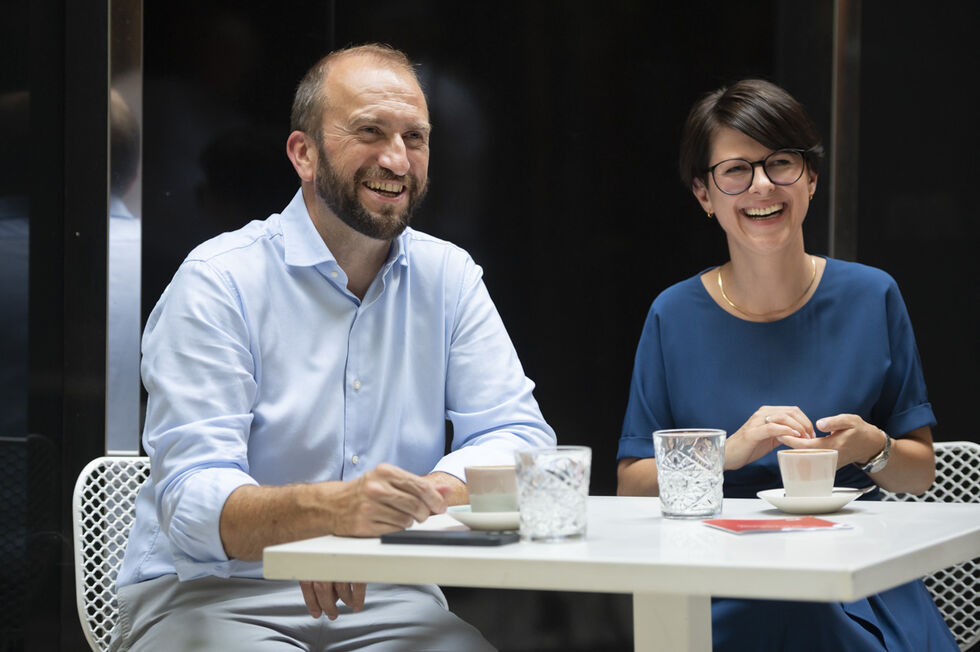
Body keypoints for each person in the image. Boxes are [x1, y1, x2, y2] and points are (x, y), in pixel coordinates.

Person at [111, 44, 555, 651]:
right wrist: (326, 515)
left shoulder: (449, 278)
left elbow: (523, 441)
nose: (397, 158)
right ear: (304, 154)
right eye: (370, 131)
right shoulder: (218, 280)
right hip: (214, 596)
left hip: (388, 590)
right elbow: (190, 501)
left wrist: (389, 516)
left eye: (415, 138)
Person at [617, 79, 957, 651]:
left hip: (859, 576)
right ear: (704, 194)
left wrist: (869, 448)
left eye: (781, 163)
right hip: (723, 579)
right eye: (735, 171)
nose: (762, 186)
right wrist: (730, 452)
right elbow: (631, 485)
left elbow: (919, 472)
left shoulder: (873, 296)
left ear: (811, 179)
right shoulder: (672, 315)